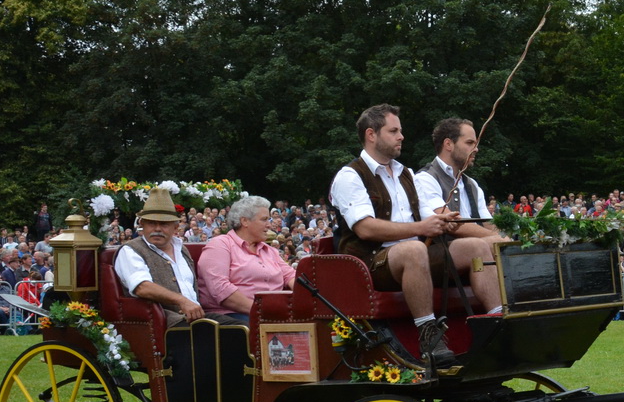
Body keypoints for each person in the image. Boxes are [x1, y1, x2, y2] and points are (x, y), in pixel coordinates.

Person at [328, 104, 459, 366]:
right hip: (370, 264)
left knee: (475, 249)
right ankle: (428, 335)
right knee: (413, 249)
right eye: (394, 131)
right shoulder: (350, 176)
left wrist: (444, 220)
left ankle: (496, 323)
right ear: (371, 134)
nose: (401, 136)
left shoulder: (406, 174)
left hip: (413, 259)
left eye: (400, 131)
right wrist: (422, 229)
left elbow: (426, 213)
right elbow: (365, 228)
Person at [418, 117, 508, 309]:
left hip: (477, 249)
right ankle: (498, 316)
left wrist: (510, 234)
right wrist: (499, 239)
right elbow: (453, 225)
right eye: (469, 143)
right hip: (437, 252)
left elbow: (487, 223)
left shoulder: (472, 185)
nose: (476, 149)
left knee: (517, 245)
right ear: (448, 144)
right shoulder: (424, 179)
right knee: (490, 245)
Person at [196, 194, 297, 324]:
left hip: (273, 314)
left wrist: (305, 297)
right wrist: (262, 311)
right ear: (245, 221)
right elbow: (220, 289)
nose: (269, 225)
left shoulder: (269, 250)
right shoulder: (220, 245)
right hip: (233, 317)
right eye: (264, 220)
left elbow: (290, 276)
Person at [113, 188, 206, 327]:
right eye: (151, 223)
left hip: (198, 317)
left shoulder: (182, 249)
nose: (157, 229)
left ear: (175, 228)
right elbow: (142, 287)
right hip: (166, 322)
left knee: (240, 328)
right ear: (142, 225)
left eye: (164, 224)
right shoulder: (130, 250)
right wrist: (182, 301)